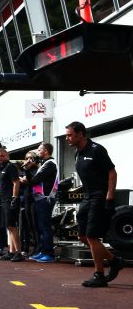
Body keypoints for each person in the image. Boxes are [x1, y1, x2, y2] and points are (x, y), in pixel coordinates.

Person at [65, 121, 124, 287]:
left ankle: (99, 274)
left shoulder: (97, 150)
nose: (67, 138)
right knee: (82, 236)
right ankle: (114, 260)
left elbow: (112, 172)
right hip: (87, 197)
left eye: (70, 135)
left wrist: (110, 196)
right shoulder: (78, 152)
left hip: (100, 197)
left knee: (92, 236)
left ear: (80, 134)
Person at [29, 142, 58, 262]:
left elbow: (35, 180)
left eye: (39, 149)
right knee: (41, 226)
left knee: (45, 226)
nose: (37, 151)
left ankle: (49, 253)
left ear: (46, 151)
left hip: (45, 198)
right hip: (40, 199)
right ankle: (43, 251)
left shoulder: (50, 163)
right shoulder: (45, 163)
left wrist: (28, 176)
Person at [0, 148, 23, 262]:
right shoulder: (2, 168)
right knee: (9, 226)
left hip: (9, 200)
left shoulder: (10, 167)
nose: (0, 158)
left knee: (12, 226)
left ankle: (18, 252)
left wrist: (14, 198)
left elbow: (16, 182)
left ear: (7, 156)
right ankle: (12, 251)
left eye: (2, 156)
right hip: (3, 200)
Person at [19, 151, 40, 257]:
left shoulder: (37, 170)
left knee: (34, 225)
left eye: (31, 158)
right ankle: (25, 248)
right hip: (25, 199)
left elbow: (31, 181)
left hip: (35, 199)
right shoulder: (24, 170)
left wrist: (26, 177)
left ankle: (37, 248)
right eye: (27, 158)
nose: (28, 160)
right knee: (25, 226)